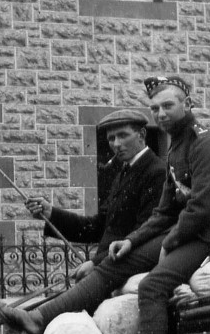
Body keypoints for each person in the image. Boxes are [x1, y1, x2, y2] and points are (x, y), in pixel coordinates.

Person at [0, 74, 210, 334]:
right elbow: (163, 212)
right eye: (155, 108)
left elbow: (202, 209)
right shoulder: (176, 149)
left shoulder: (206, 144)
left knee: (152, 287)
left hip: (209, 233)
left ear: (188, 105)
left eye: (168, 106)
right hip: (187, 230)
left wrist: (169, 242)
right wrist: (130, 242)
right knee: (115, 262)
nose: (161, 114)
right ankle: (38, 319)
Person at [22, 108, 167, 283]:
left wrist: (96, 263)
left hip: (129, 274)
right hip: (109, 270)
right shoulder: (123, 173)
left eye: (123, 135)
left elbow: (142, 234)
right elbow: (98, 227)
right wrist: (51, 213)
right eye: (111, 138)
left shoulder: (157, 172)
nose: (116, 144)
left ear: (141, 134)